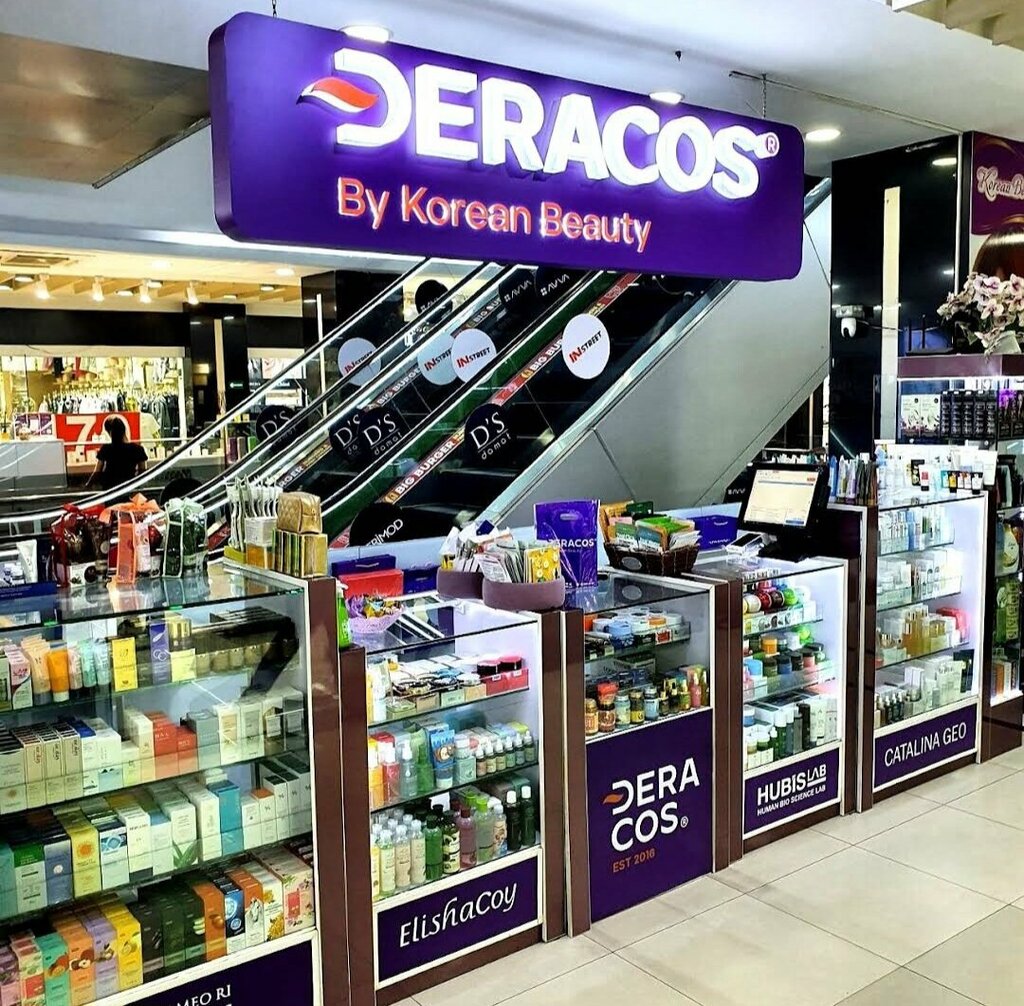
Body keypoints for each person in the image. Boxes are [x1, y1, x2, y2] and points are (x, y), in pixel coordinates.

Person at [88, 417, 148, 491]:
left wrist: (88, 485)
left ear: (111, 433)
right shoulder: (138, 449)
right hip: (128, 487)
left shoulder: (106, 448)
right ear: (124, 430)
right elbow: (142, 472)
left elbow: (97, 471)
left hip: (110, 488)